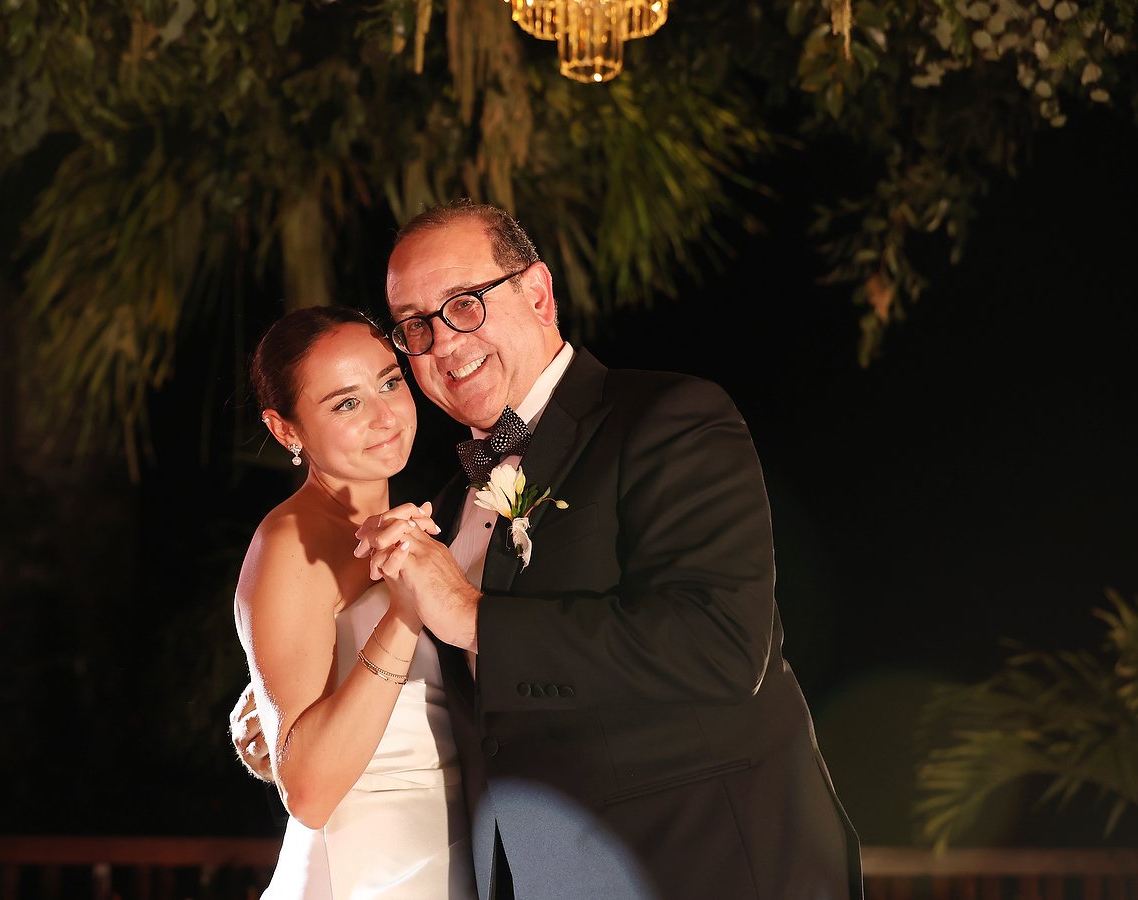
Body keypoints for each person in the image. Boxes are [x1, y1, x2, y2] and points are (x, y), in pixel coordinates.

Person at [236, 201, 862, 899]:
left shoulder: (667, 419)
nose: (444, 343)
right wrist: (282, 699)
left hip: (704, 868)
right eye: (416, 325)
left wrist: (471, 616)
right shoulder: (448, 507)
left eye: (465, 304)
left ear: (537, 294)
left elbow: (721, 646)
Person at [233, 306, 478, 899]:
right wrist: (405, 612)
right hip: (366, 871)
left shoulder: (432, 518)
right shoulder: (291, 543)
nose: (384, 415)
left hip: (452, 852)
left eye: (390, 383)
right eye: (346, 403)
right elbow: (308, 792)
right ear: (286, 431)